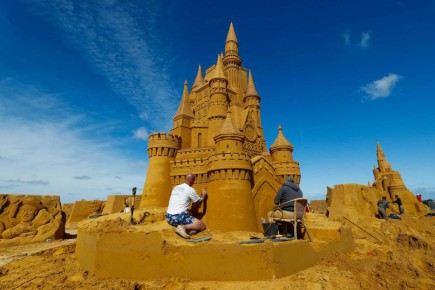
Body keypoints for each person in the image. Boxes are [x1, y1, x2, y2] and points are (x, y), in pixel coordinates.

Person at [165, 173, 207, 239]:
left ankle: (189, 229)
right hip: (177, 218)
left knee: (189, 213)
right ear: (191, 180)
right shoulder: (190, 189)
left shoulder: (176, 187)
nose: (194, 182)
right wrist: (203, 196)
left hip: (169, 217)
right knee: (202, 226)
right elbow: (198, 201)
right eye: (194, 180)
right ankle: (183, 227)